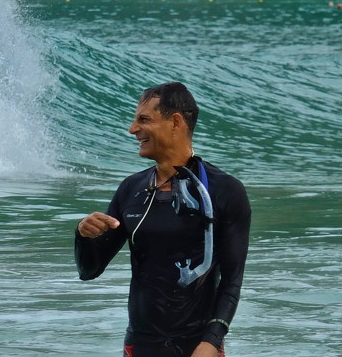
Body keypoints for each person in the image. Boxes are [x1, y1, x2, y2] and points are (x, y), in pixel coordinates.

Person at [75, 82, 251, 357]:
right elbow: (89, 270)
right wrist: (83, 236)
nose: (133, 129)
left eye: (144, 120)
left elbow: (232, 279)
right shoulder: (130, 189)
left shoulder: (223, 190)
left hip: (198, 345)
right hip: (140, 344)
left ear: (175, 122)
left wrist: (212, 340)